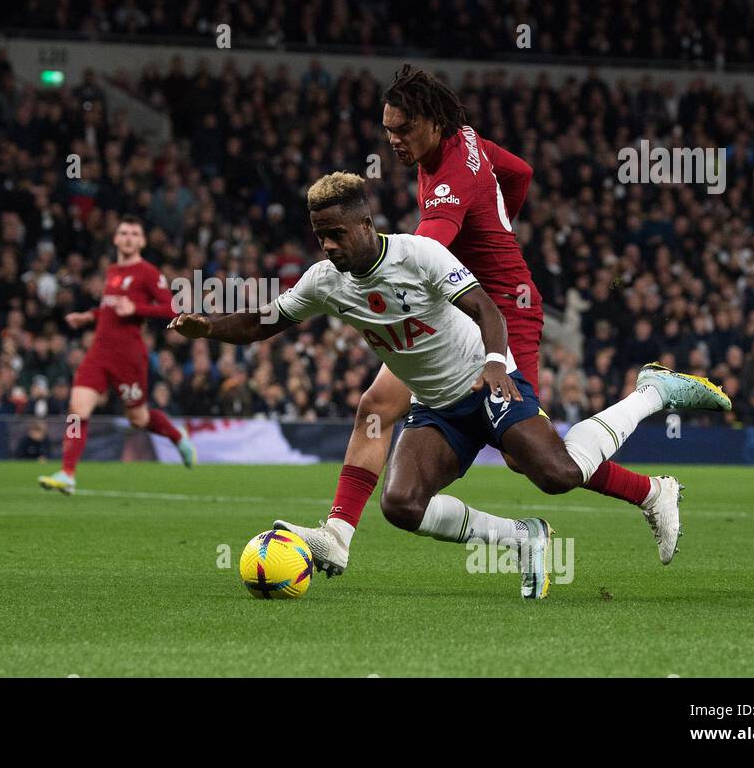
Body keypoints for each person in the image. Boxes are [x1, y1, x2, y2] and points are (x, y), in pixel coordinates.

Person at [169, 173, 730, 598]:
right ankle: (519, 537)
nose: (329, 247)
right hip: (437, 406)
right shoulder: (325, 281)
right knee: (401, 504)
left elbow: (486, 308)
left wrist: (492, 362)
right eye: (320, 237)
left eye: (337, 234)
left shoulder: (419, 255)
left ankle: (650, 396)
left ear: (366, 224)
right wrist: (208, 328)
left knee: (557, 474)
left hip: (487, 382)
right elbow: (263, 323)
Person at [277, 65, 664, 576]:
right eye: (387, 129)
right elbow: (520, 172)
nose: (393, 140)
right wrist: (498, 227)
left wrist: (428, 266)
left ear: (433, 123)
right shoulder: (462, 141)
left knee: (533, 457)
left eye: (402, 130)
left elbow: (426, 247)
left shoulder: (451, 178)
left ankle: (652, 456)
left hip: (501, 308)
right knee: (376, 404)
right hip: (459, 303)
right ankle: (338, 536)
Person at [38, 216, 195, 495]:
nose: (128, 238)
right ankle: (67, 473)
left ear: (142, 241)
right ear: (115, 239)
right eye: (124, 233)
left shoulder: (147, 272)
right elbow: (111, 310)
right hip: (98, 353)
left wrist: (136, 309)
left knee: (138, 418)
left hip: (129, 358)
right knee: (77, 409)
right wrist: (89, 316)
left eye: (135, 233)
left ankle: (176, 436)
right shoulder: (112, 270)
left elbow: (172, 309)